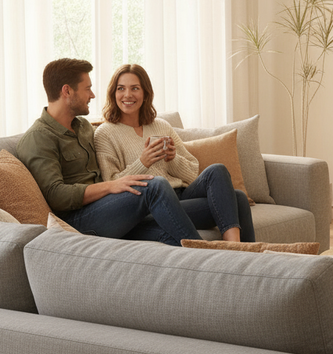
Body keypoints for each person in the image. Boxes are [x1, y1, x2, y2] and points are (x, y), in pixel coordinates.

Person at [16, 58, 205, 246]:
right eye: (87, 88)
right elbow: (57, 196)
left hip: (112, 208)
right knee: (154, 185)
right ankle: (206, 256)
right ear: (67, 91)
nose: (92, 95)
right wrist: (110, 186)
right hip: (80, 220)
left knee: (225, 202)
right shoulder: (38, 138)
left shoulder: (83, 126)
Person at [94, 63, 254, 244]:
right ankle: (237, 251)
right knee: (238, 200)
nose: (127, 95)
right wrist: (143, 162)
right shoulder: (105, 133)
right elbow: (111, 184)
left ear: (145, 93)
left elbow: (193, 173)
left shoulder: (161, 125)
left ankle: (237, 249)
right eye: (121, 88)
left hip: (181, 195)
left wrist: (173, 159)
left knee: (219, 172)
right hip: (152, 205)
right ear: (113, 93)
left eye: (135, 88)